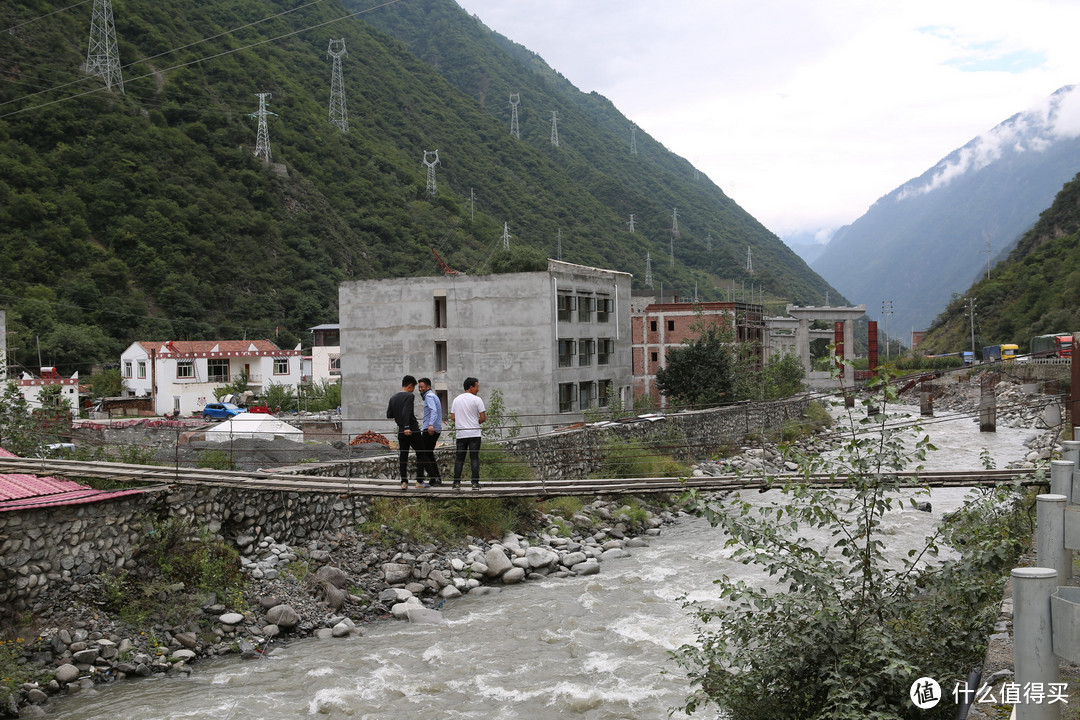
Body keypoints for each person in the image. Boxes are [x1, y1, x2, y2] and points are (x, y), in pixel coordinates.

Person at [386, 375, 423, 490]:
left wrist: (401, 421)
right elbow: (406, 412)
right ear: (410, 386)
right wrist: (407, 426)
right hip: (411, 429)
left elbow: (389, 414)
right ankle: (419, 481)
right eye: (413, 388)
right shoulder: (409, 396)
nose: (413, 391)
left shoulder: (393, 398)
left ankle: (404, 482)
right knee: (421, 453)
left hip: (401, 431)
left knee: (403, 456)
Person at [450, 376, 486, 490]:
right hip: (474, 433)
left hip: (461, 434)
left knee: (459, 458)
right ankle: (475, 483)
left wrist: (462, 422)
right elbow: (483, 418)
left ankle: (456, 483)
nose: (478, 389)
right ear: (471, 387)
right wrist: (475, 422)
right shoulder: (477, 400)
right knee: (474, 458)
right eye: (477, 386)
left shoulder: (456, 400)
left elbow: (453, 417)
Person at [416, 377, 443, 486]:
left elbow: (434, 411)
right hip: (435, 428)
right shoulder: (433, 396)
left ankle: (433, 477)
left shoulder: (429, 396)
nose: (420, 389)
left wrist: (430, 425)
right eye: (419, 387)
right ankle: (436, 478)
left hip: (430, 428)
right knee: (428, 453)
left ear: (428, 387)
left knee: (423, 453)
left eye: (422, 387)